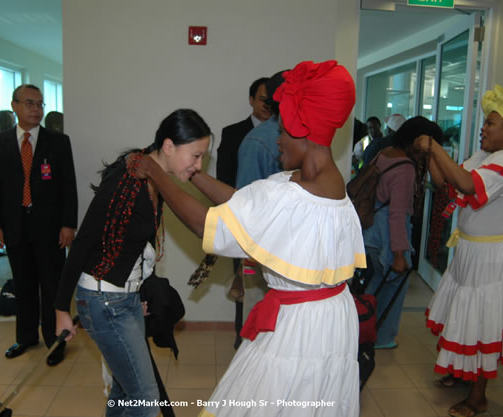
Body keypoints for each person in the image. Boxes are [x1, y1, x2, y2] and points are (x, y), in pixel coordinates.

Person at [134, 60, 363, 417]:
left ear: (302, 129)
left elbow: (205, 225)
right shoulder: (326, 185)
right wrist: (190, 172)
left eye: (283, 129)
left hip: (300, 327)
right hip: (332, 317)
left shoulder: (290, 195)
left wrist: (155, 172)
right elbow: (241, 203)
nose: (277, 138)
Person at [55, 109, 211, 417]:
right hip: (103, 301)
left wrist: (136, 290)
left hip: (124, 298)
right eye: (195, 156)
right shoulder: (125, 183)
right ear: (168, 147)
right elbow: (84, 242)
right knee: (145, 398)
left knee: (125, 391)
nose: (198, 165)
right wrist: (61, 309)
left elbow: (138, 249)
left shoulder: (153, 179)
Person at [420, 85, 503, 417]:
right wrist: (433, 154)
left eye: (491, 123)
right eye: (485, 123)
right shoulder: (486, 157)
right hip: (472, 252)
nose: (483, 129)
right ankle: (460, 372)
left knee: (484, 319)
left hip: (494, 258)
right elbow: (445, 181)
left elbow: (469, 185)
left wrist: (435, 147)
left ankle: (478, 397)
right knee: (465, 315)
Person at [0, 84, 78, 366]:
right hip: (14, 226)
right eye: (29, 103)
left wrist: (68, 224)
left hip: (50, 228)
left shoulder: (58, 141)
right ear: (14, 106)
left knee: (52, 285)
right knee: (23, 284)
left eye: (40, 104)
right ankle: (25, 337)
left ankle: (54, 340)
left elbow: (68, 187)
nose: (36, 109)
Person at [362, 116, 442, 349]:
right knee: (395, 285)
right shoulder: (406, 167)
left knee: (375, 284)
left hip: (371, 229)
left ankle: (362, 329)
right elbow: (398, 214)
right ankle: (382, 337)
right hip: (389, 234)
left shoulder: (385, 153)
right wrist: (399, 254)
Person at [229, 71, 286, 348]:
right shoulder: (259, 142)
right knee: (257, 329)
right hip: (262, 252)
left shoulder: (307, 139)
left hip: (294, 254)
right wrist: (244, 261)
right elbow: (246, 206)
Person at [216, 77, 270, 188]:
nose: (267, 105)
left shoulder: (284, 135)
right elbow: (223, 178)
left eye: (271, 101)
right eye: (262, 99)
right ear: (251, 100)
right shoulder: (231, 133)